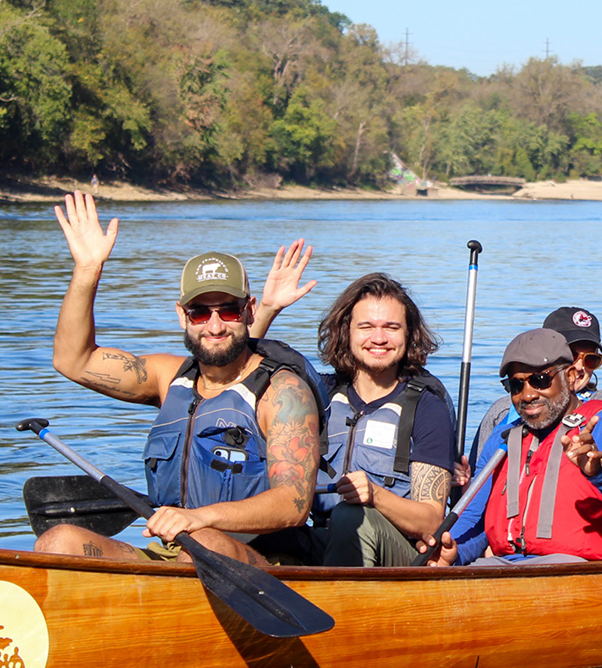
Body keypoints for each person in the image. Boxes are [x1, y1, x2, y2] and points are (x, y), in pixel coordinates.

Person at [34, 192, 323, 567]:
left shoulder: (283, 393)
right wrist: (88, 269)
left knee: (205, 545)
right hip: (172, 553)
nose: (215, 325)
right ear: (182, 316)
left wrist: (201, 519)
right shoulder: (168, 378)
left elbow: (293, 503)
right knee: (59, 541)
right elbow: (73, 360)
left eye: (229, 310)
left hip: (259, 560)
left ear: (249, 311)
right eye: (200, 313)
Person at [418, 329, 602, 566]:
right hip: (505, 568)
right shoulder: (502, 439)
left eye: (540, 380)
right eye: (517, 385)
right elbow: (475, 519)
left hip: (585, 570)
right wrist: (454, 552)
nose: (527, 395)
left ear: (570, 376)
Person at [306, 273, 457, 567]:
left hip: (393, 550)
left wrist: (375, 496)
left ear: (409, 334)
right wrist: (269, 310)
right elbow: (248, 375)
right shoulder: (318, 394)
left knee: (352, 517)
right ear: (346, 331)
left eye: (391, 327)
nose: (379, 338)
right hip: (318, 538)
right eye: (366, 327)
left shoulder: (426, 407)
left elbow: (431, 518)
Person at [465, 253, 602, 482]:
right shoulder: (505, 411)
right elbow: (478, 479)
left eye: (590, 359)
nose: (580, 367)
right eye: (571, 355)